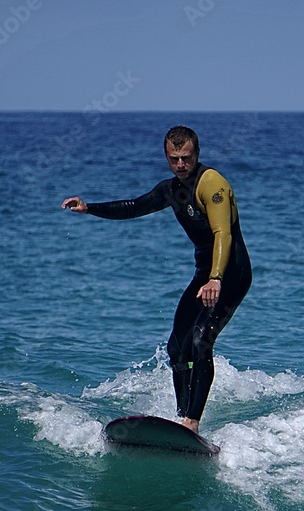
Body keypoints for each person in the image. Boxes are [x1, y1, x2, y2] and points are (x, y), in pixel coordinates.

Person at [61, 126, 252, 434]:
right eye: (174, 158)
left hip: (231, 273)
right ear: (166, 156)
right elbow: (135, 206)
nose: (180, 164)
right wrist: (89, 208)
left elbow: (222, 233)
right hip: (205, 276)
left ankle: (192, 423)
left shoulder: (211, 182)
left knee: (202, 340)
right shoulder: (171, 190)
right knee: (177, 347)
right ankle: (182, 420)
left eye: (186, 158)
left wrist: (216, 278)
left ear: (197, 155)